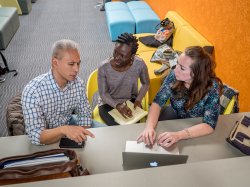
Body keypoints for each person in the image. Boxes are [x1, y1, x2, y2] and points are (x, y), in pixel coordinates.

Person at [22, 39, 106, 145]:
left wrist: (78, 137)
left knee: (108, 134)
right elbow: (36, 136)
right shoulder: (32, 92)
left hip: (69, 123)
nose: (76, 69)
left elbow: (85, 115)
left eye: (78, 64)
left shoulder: (78, 83)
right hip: (47, 134)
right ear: (55, 63)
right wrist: (64, 130)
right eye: (71, 64)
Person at [137, 46, 223, 148]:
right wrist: (149, 127)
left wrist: (178, 135)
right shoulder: (174, 75)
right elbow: (157, 103)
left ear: (197, 73)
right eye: (177, 63)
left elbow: (209, 125)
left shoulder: (212, 87)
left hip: (197, 123)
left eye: (182, 68)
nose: (175, 69)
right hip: (174, 112)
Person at [98, 33, 150, 126]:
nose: (117, 57)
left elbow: (146, 83)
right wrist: (117, 105)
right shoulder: (103, 67)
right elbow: (103, 94)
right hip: (108, 103)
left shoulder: (139, 64)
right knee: (116, 129)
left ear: (132, 55)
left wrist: (138, 100)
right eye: (115, 52)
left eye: (122, 55)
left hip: (131, 101)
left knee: (132, 127)